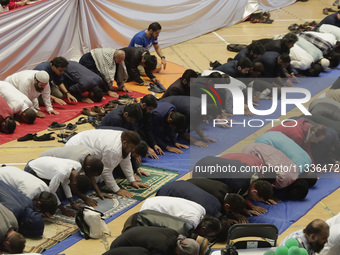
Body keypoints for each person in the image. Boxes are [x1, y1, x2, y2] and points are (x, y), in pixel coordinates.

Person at [65, 130, 149, 198]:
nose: (133, 150)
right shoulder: (113, 150)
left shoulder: (127, 141)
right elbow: (106, 171)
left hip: (88, 143)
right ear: (124, 143)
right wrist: (117, 190)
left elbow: (126, 160)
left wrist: (132, 180)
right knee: (79, 180)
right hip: (76, 146)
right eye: (131, 147)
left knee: (98, 176)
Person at [39, 145, 104, 207]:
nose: (91, 177)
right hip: (44, 162)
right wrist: (85, 199)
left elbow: (89, 176)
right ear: (88, 168)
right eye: (92, 174)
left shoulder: (91, 155)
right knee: (59, 194)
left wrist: (99, 192)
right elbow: (72, 184)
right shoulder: (75, 162)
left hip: (57, 166)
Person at [24, 156, 89, 217]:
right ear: (74, 183)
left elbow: (65, 183)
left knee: (57, 195)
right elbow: (50, 191)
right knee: (53, 197)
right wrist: (63, 210)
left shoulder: (77, 167)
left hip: (44, 166)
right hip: (32, 169)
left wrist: (72, 203)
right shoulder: (61, 173)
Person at [123, 210, 221, 239]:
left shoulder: (189, 223)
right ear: (203, 230)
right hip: (136, 222)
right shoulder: (180, 233)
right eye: (207, 236)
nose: (205, 238)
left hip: (144, 214)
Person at [107, 226, 199, 255]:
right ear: (179, 252)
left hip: (131, 234)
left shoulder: (175, 234)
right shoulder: (161, 248)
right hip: (120, 247)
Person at [141, 196, 206, 229]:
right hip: (148, 210)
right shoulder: (192, 221)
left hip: (155, 199)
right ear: (203, 229)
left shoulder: (202, 210)